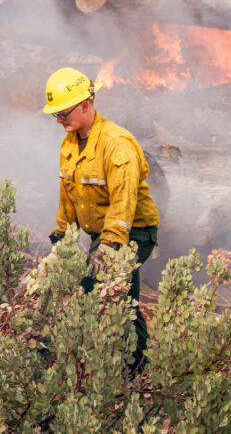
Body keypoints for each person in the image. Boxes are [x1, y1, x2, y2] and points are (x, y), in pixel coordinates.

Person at [43, 67, 160, 370]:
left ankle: (134, 367)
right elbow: (67, 193)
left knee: (107, 292)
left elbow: (124, 200)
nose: (59, 120)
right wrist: (61, 235)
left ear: (85, 104)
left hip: (133, 233)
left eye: (63, 113)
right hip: (103, 234)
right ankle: (127, 362)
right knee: (115, 295)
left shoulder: (116, 143)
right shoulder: (70, 143)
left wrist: (110, 246)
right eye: (54, 115)